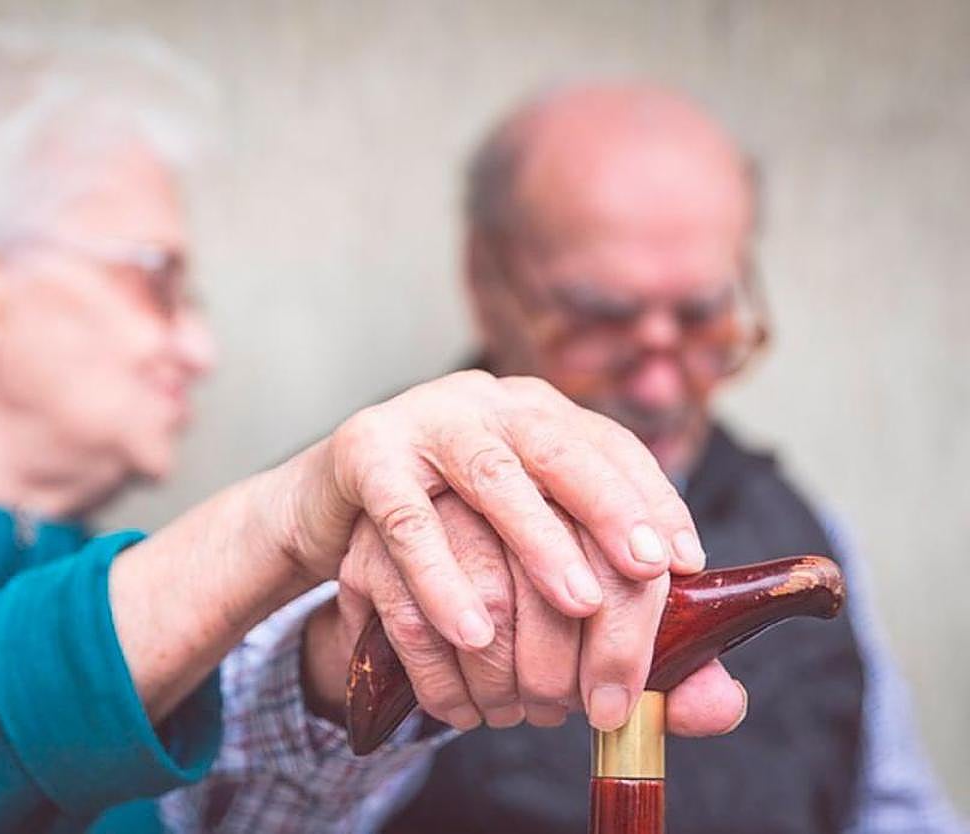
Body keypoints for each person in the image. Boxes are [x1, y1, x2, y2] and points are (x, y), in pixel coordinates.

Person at [0, 34, 747, 834]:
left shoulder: (126, 582)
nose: (199, 347)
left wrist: (366, 651)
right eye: (155, 282)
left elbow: (232, 797)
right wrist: (276, 521)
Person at [384, 85, 966, 834]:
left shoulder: (804, 529)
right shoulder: (377, 527)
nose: (661, 385)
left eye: (700, 318)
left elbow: (895, 811)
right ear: (486, 280)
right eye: (600, 319)